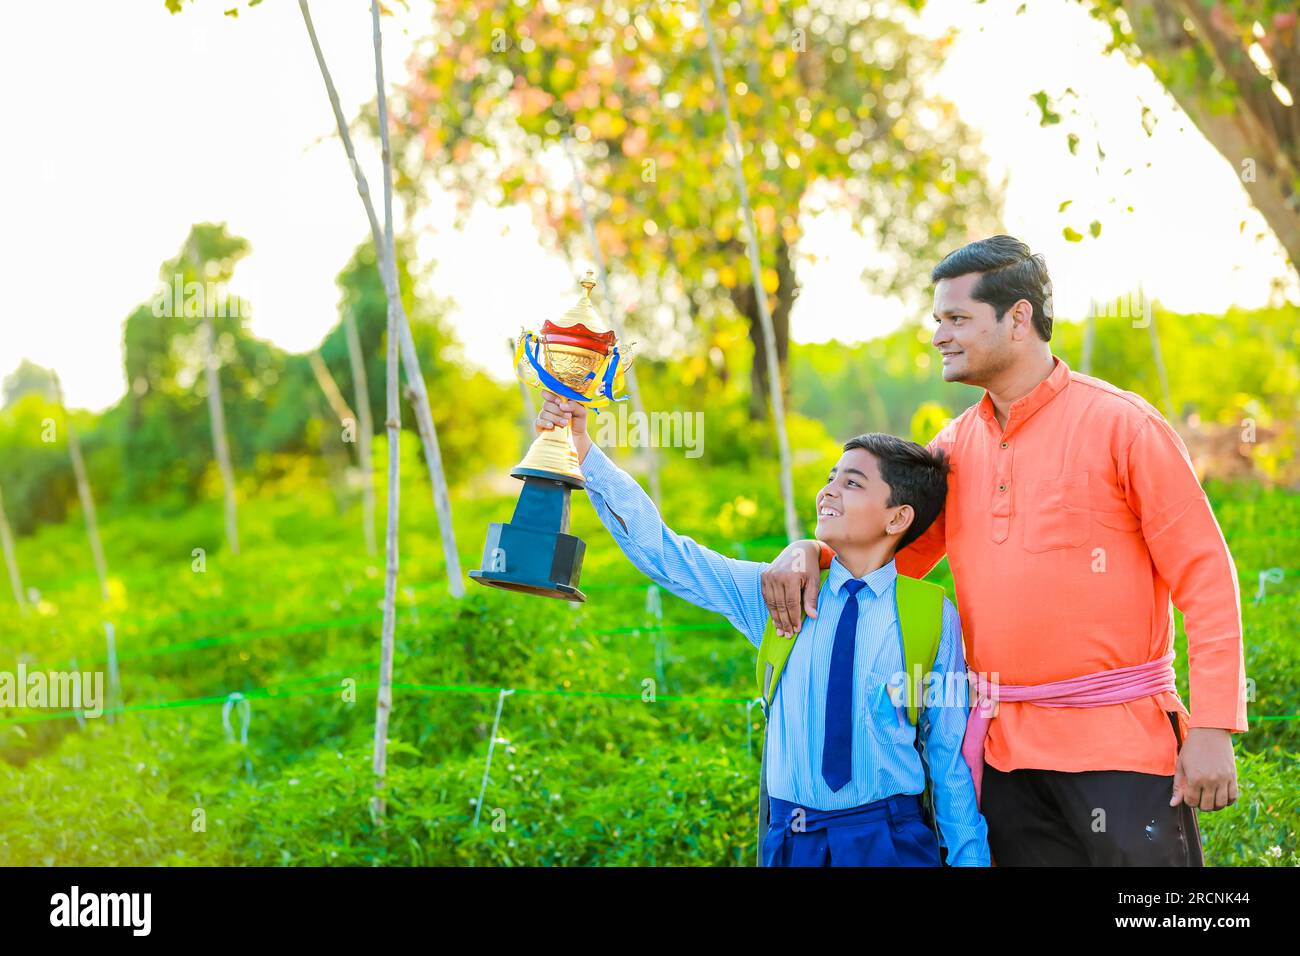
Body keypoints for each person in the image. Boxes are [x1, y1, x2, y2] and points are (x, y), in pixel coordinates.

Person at [760, 235, 1247, 866]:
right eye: (939, 320)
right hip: (1003, 758)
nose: (939, 335)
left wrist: (1211, 727)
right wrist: (807, 552)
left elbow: (1206, 575)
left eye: (956, 318)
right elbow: (882, 559)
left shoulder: (1125, 427)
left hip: (1123, 753)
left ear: (1018, 317)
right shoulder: (951, 451)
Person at [535, 390, 990, 866]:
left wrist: (970, 858)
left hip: (890, 839)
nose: (828, 490)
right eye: (830, 477)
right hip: (794, 838)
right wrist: (585, 451)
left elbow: (947, 758)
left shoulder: (932, 614)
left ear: (898, 517)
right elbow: (668, 556)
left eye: (852, 484)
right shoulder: (778, 594)